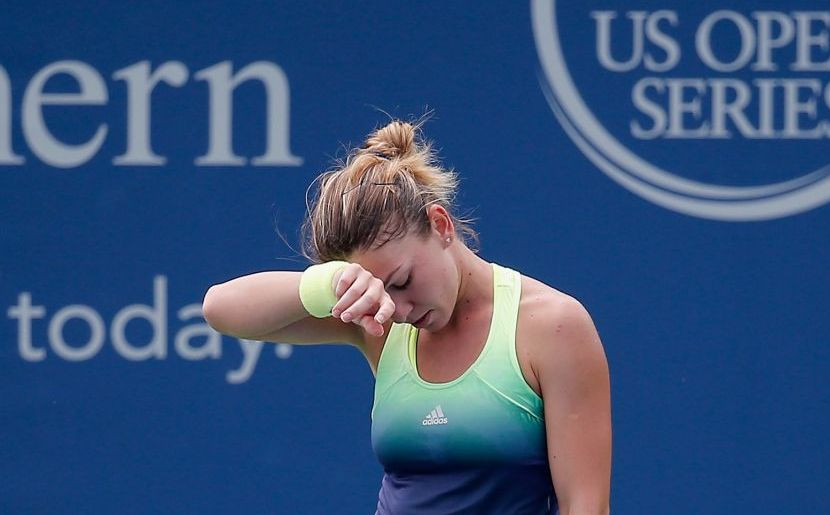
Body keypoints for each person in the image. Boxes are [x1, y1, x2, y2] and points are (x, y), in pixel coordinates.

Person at [202, 119, 611, 514]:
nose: (397, 310)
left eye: (402, 281)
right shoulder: (375, 318)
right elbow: (220, 310)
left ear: (441, 224)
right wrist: (330, 285)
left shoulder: (553, 325)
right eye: (381, 290)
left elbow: (586, 506)